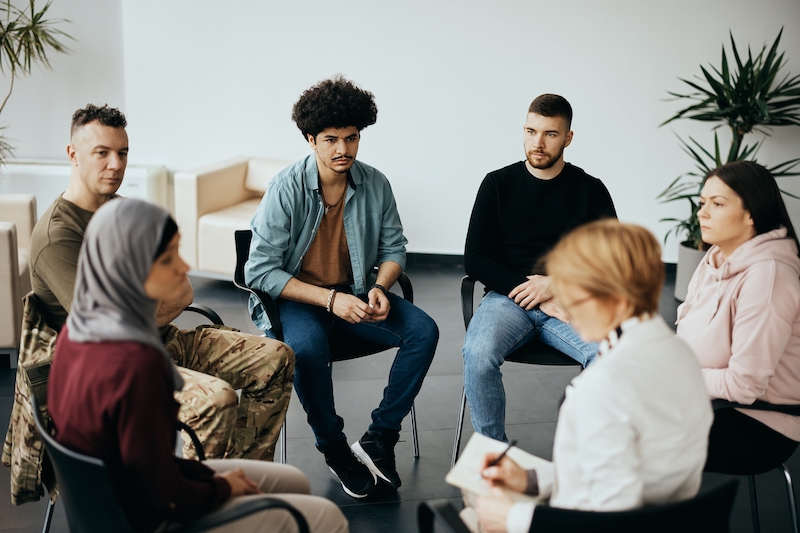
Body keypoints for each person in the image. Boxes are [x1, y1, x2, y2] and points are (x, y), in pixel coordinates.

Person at [47, 198, 348, 533]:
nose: (184, 265)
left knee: (292, 480)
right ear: (128, 268)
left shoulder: (75, 333)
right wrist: (223, 488)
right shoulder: (137, 364)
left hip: (125, 497)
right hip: (151, 519)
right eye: (167, 259)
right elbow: (163, 497)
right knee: (329, 517)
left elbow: (148, 467)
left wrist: (212, 477)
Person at [28, 104, 293, 461]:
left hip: (163, 342)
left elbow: (183, 289)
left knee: (277, 357)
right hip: (110, 374)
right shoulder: (58, 236)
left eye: (122, 153)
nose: (116, 164)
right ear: (73, 155)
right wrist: (159, 301)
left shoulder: (123, 212)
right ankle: (190, 509)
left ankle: (237, 480)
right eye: (102, 153)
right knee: (214, 401)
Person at [245, 76, 438, 498]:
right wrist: (329, 300)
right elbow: (259, 271)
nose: (343, 150)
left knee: (424, 331)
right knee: (309, 350)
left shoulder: (376, 183)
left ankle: (379, 438)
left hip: (355, 294)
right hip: (300, 300)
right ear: (310, 139)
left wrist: (381, 287)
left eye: (351, 139)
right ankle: (333, 447)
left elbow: (394, 249)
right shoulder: (285, 189)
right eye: (331, 139)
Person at [473, 220, 712, 533]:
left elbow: (607, 519)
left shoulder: (602, 387)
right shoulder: (680, 354)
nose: (564, 308)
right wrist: (532, 480)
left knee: (471, 511)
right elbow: (624, 470)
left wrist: (515, 520)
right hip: (668, 518)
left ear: (618, 297)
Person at [462, 94, 616, 442]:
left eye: (550, 134)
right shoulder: (497, 184)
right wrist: (533, 292)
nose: (538, 142)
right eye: (531, 131)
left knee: (608, 353)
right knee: (477, 352)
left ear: (568, 138)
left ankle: (584, 454)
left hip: (571, 301)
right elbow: (476, 258)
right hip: (507, 299)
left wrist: (556, 285)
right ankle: (492, 455)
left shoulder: (591, 191)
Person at [676, 160, 800, 474]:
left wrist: (672, 376)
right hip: (710, 403)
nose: (701, 213)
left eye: (717, 204)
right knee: (587, 398)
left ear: (751, 214)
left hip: (758, 424)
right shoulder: (714, 259)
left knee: (620, 429)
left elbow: (745, 385)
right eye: (703, 203)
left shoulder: (768, 278)